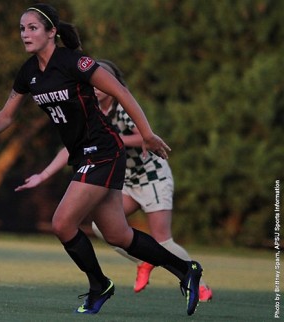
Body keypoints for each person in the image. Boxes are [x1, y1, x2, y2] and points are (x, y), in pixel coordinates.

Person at [0, 3, 203, 315]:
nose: (25, 34)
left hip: (104, 150)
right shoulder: (28, 72)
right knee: (118, 235)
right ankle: (186, 270)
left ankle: (99, 286)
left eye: (32, 28)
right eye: (22, 29)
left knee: (62, 223)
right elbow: (7, 114)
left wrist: (147, 134)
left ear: (52, 32)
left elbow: (122, 92)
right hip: (85, 154)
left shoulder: (74, 62)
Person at [15, 59, 213, 302]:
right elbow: (72, 147)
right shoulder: (88, 110)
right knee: (106, 229)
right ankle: (145, 261)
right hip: (125, 179)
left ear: (112, 83)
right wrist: (44, 175)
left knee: (163, 238)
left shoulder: (122, 109)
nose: (95, 84)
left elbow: (144, 135)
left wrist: (115, 138)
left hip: (152, 177)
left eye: (100, 79)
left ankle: (200, 286)